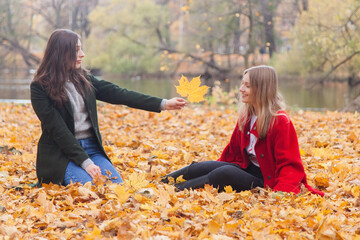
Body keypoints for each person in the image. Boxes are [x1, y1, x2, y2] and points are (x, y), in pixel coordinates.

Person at [31, 29, 186, 186]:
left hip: (92, 148)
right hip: (61, 154)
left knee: (116, 188)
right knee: (90, 190)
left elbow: (120, 94)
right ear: (61, 52)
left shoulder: (84, 79)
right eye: (76, 50)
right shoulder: (39, 87)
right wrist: (86, 163)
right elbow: (59, 131)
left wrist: (163, 103)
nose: (82, 54)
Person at [162, 65, 324, 196]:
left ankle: (177, 190)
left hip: (265, 178)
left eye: (247, 86)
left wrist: (281, 193)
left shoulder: (280, 120)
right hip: (245, 167)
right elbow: (233, 151)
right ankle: (161, 183)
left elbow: (290, 163)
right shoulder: (248, 114)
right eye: (242, 84)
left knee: (223, 173)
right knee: (203, 166)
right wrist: (212, 166)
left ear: (261, 89)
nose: (241, 89)